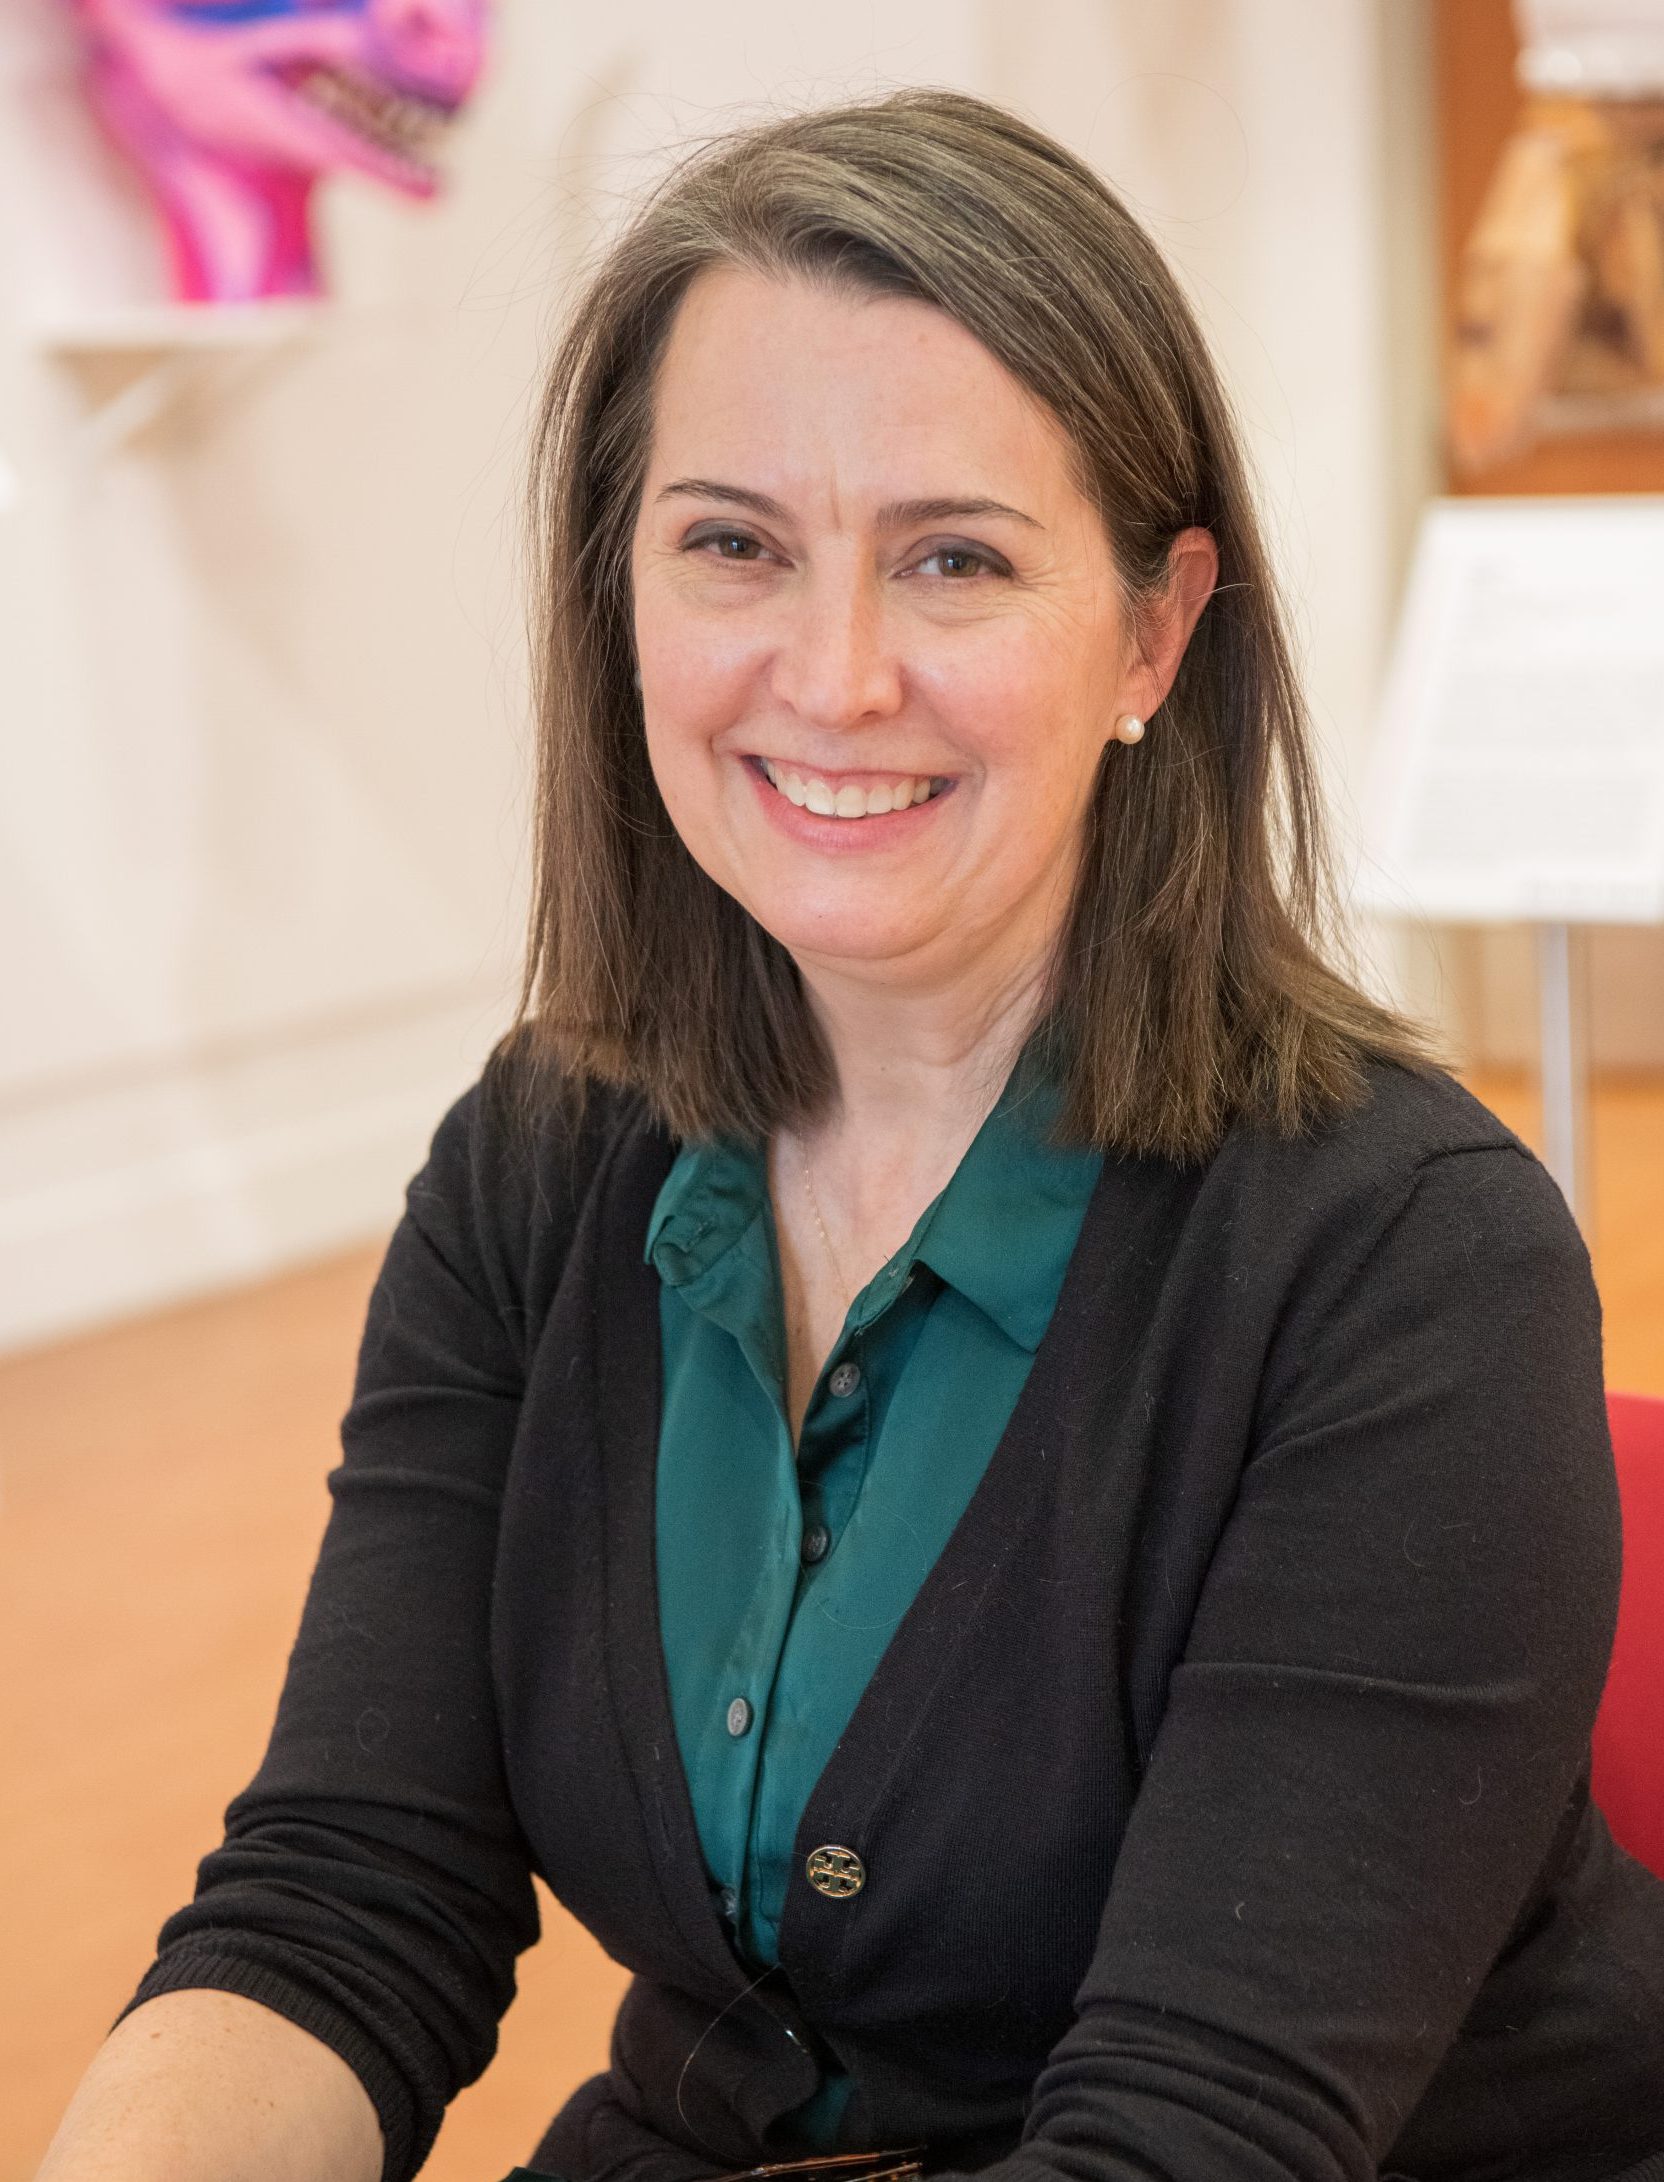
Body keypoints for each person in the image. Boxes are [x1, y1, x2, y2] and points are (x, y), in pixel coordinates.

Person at [36, 87, 1664, 2182]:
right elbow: (345, 1900)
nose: (831, 671)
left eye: (954, 560)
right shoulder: (540, 1164)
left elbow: (1192, 2136)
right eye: (733, 543)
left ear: (1154, 634)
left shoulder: (1401, 1259)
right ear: (618, 584)